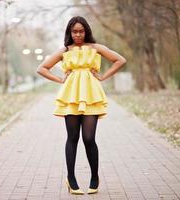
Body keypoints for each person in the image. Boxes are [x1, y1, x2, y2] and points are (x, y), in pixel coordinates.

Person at [36, 16, 126, 195]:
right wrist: (60, 79)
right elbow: (42, 68)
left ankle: (94, 177)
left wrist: (103, 76)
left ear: (86, 31)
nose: (78, 34)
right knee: (72, 137)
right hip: (71, 96)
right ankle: (71, 178)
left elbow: (120, 60)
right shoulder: (64, 51)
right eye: (75, 31)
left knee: (89, 138)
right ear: (70, 32)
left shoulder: (95, 48)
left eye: (81, 31)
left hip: (91, 95)